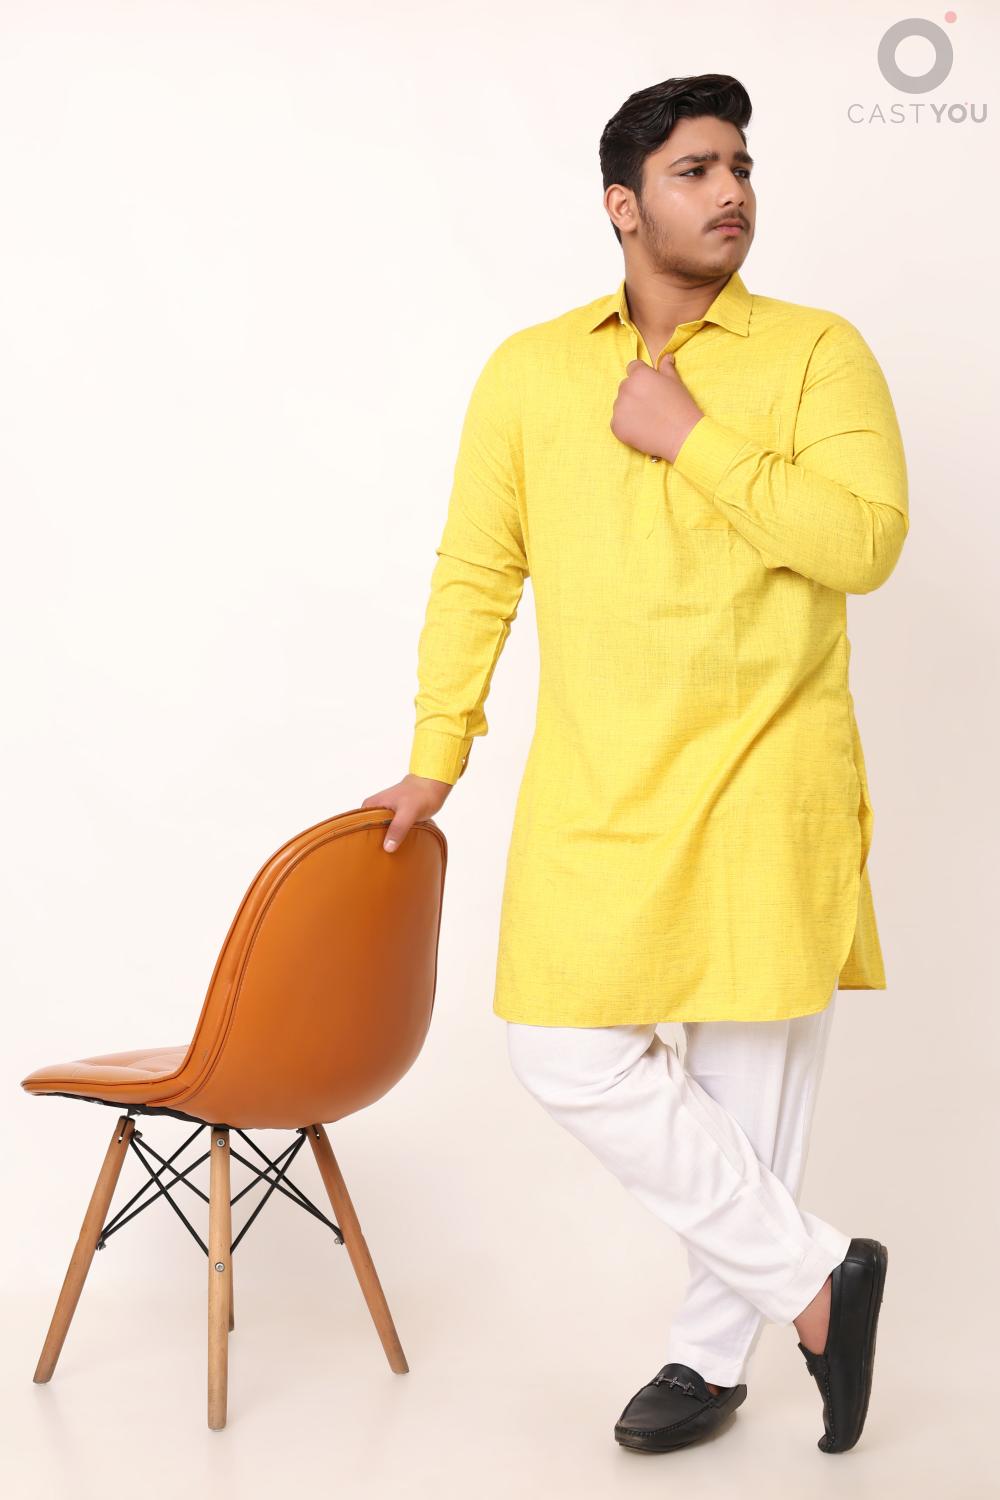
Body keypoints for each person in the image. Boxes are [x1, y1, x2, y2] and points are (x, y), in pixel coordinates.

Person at [362, 73, 904, 1455]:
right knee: (560, 1046)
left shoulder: (816, 353)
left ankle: (710, 1362)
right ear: (622, 205)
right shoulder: (531, 371)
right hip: (600, 782)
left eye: (742, 166)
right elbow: (477, 569)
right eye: (694, 171)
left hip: (768, 779)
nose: (731, 192)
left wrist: (694, 439)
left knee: (744, 1104)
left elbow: (865, 544)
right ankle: (818, 1283)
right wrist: (436, 752)